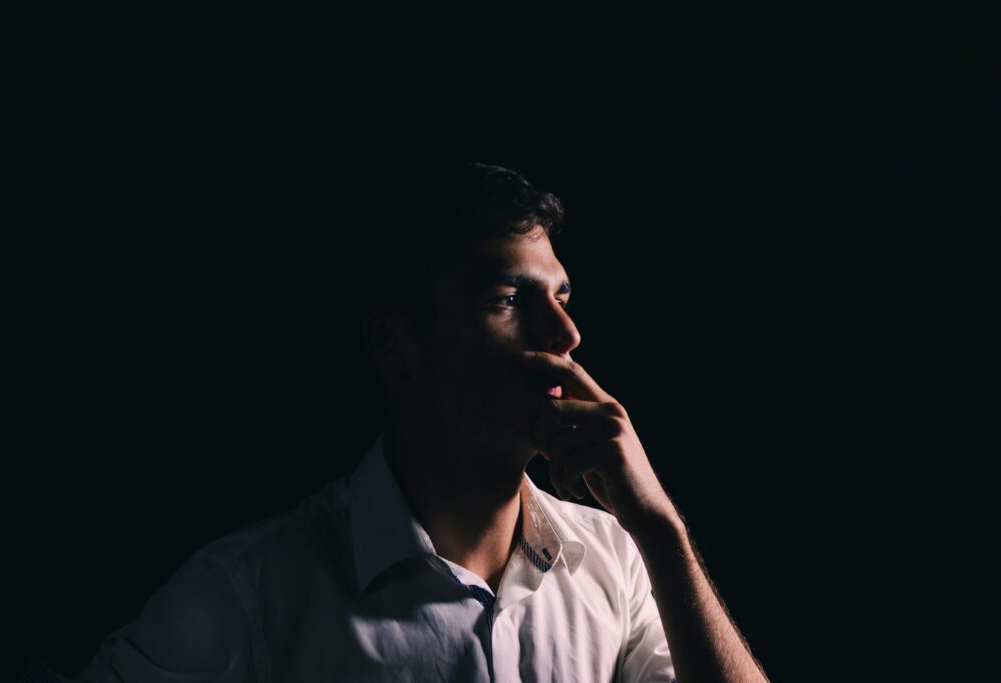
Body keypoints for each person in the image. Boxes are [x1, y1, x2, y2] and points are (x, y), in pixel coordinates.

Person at [63, 162, 768, 682]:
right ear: (394, 344)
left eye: (562, 295)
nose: (566, 332)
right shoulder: (253, 591)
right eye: (507, 299)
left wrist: (662, 532)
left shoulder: (617, 560)